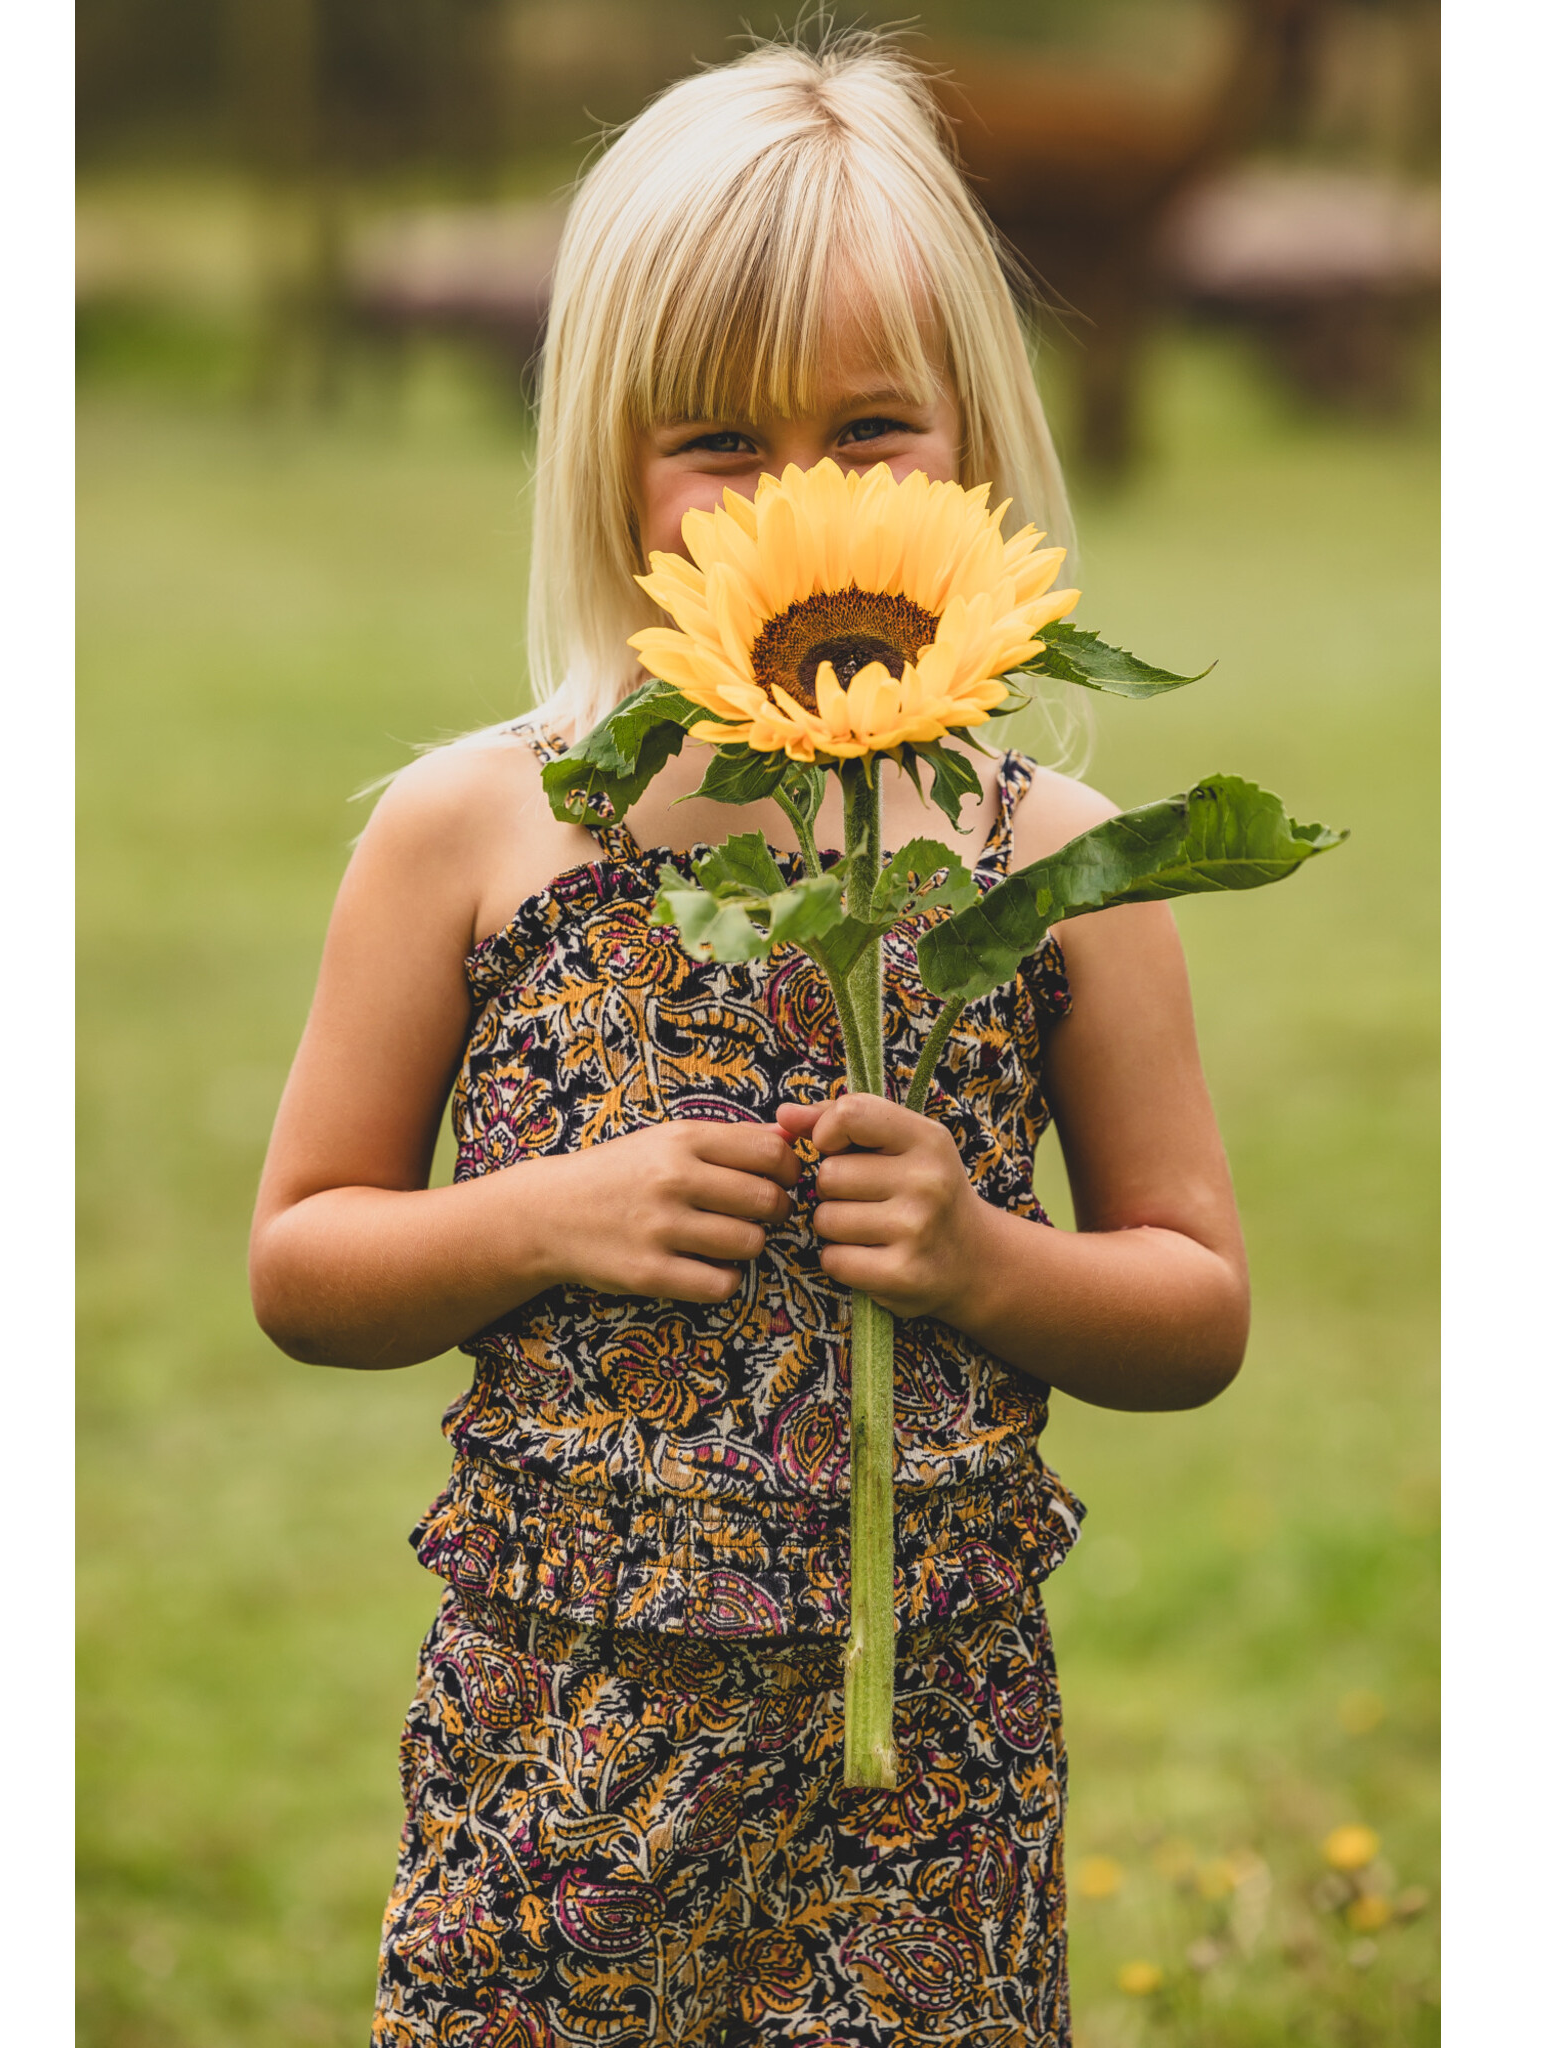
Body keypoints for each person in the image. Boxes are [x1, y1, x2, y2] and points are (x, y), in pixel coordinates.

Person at [250, 32, 1249, 2048]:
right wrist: (543, 1214)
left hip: (924, 1769)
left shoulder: (1049, 859)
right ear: (603, 455)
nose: (797, 496)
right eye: (712, 437)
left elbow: (1193, 1298)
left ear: (973, 439)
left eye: (870, 423)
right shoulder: (478, 830)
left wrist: (984, 1258)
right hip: (559, 1744)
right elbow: (302, 1258)